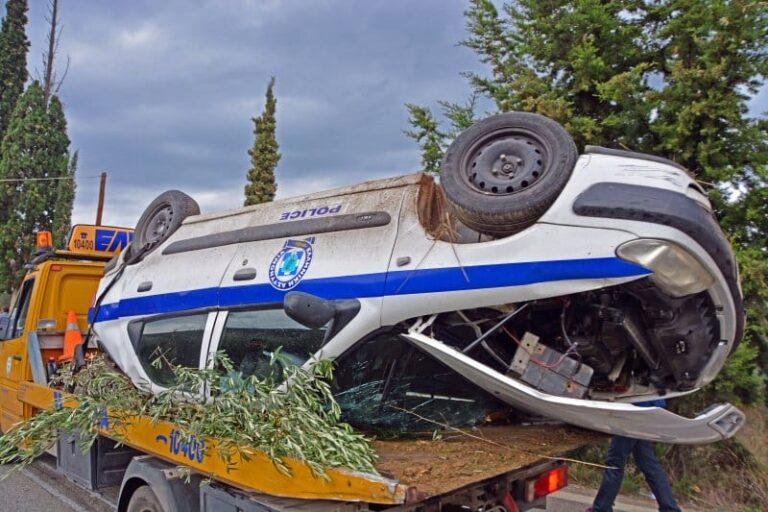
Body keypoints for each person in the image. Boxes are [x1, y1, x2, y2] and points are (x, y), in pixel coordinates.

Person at [588, 399, 681, 512]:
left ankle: (601, 508)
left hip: (634, 411)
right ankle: (670, 508)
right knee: (648, 463)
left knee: (614, 463)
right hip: (648, 410)